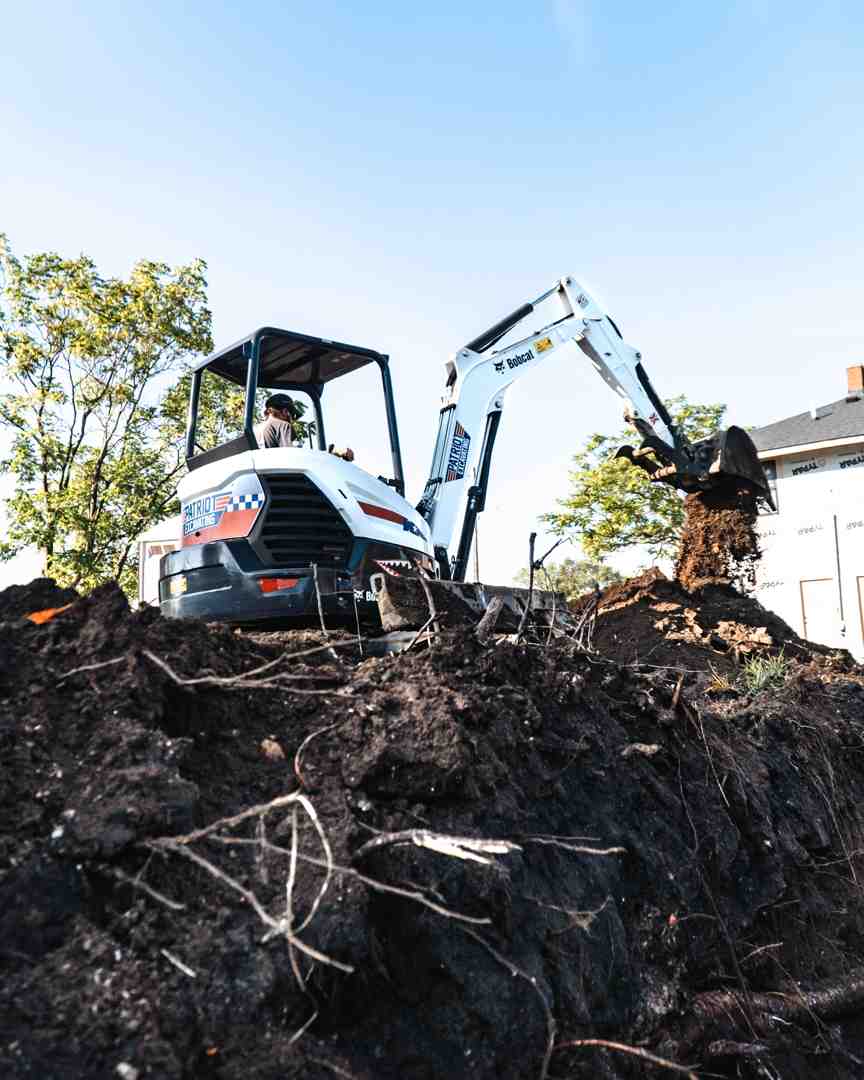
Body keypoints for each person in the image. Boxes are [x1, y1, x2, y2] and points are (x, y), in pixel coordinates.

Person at [253, 393, 355, 461]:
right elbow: (296, 458)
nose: (291, 419)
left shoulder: (255, 430)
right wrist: (333, 455)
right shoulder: (283, 426)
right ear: (285, 412)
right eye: (291, 415)